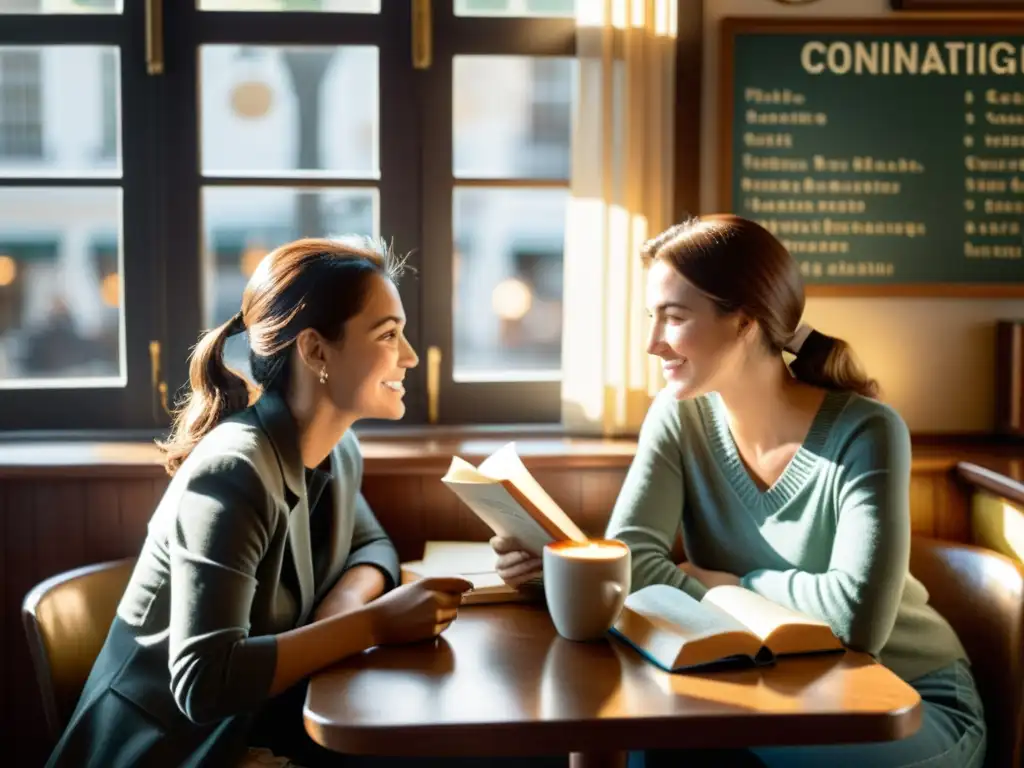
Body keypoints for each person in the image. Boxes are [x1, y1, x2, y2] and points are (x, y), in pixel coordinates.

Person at [492, 215, 987, 768]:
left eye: (675, 319)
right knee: (646, 747)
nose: (653, 343)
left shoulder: (868, 431)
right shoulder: (678, 418)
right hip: (759, 691)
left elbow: (856, 621)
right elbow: (634, 568)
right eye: (651, 318)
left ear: (746, 322)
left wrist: (731, 585)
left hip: (906, 702)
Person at [47, 237, 473, 768]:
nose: (409, 355)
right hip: (167, 749)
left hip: (258, 726)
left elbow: (373, 545)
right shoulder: (235, 470)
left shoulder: (338, 448)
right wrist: (372, 625)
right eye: (389, 334)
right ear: (316, 350)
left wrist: (340, 607)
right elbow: (203, 683)